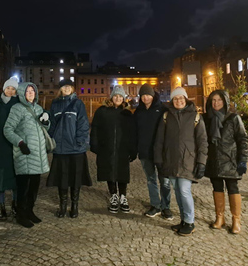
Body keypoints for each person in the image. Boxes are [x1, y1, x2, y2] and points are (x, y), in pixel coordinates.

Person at [154, 87, 208, 236]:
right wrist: (159, 159)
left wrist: (201, 162)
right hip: (170, 159)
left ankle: (190, 222)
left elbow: (203, 141)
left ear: (186, 99)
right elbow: (160, 140)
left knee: (184, 190)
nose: (179, 101)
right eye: (176, 98)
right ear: (172, 100)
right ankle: (184, 220)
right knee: (177, 191)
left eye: (181, 98)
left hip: (188, 160)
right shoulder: (167, 116)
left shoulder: (195, 116)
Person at [3, 82, 50, 228]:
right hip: (25, 153)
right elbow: (8, 129)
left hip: (38, 154)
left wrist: (46, 122)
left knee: (34, 186)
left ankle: (29, 211)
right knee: (23, 187)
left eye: (33, 91)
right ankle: (21, 214)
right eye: (27, 91)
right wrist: (20, 143)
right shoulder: (17, 108)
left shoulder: (38, 108)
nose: (30, 93)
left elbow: (43, 128)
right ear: (22, 93)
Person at [46, 79, 92, 218]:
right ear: (60, 89)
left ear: (72, 88)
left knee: (76, 178)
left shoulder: (78, 103)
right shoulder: (55, 104)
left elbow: (83, 124)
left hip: (75, 149)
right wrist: (50, 139)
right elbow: (52, 125)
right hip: (60, 149)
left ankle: (74, 205)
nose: (66, 88)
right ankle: (62, 206)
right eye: (63, 87)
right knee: (62, 178)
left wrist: (80, 141)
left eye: (68, 86)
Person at [204, 90, 248, 234]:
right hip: (214, 159)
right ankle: (220, 218)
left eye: (219, 100)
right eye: (213, 100)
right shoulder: (207, 118)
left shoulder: (233, 118)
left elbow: (242, 139)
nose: (216, 103)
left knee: (232, 188)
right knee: (217, 187)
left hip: (230, 159)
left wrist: (242, 160)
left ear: (225, 102)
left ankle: (236, 220)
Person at [90, 86, 136, 214]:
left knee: (122, 172)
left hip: (123, 148)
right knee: (109, 171)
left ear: (123, 99)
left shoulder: (127, 114)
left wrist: (133, 149)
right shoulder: (102, 111)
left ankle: (123, 196)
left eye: (120, 96)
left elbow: (133, 133)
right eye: (116, 96)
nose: (118, 98)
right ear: (111, 97)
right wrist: (94, 144)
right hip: (107, 147)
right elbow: (95, 129)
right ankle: (114, 195)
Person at [134, 83, 172, 219]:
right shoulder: (139, 111)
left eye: (148, 95)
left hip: (160, 153)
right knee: (151, 180)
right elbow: (136, 132)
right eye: (143, 95)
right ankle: (155, 205)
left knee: (165, 181)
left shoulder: (162, 110)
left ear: (153, 95)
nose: (145, 98)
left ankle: (166, 207)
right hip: (145, 152)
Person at [0, 77, 20, 220]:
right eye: (8, 88)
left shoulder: (19, 105)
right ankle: (0, 205)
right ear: (4, 89)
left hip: (13, 147)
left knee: (15, 178)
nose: (10, 91)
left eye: (13, 89)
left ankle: (15, 204)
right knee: (0, 178)